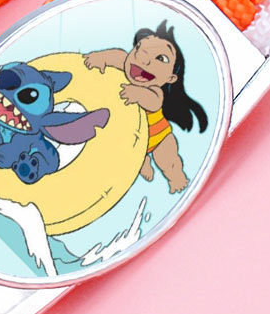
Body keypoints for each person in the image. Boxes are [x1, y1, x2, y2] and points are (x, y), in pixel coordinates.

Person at [84, 21, 208, 193]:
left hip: (158, 136)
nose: (143, 59)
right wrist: (100, 58)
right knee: (125, 156)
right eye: (140, 49)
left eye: (161, 59)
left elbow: (153, 102)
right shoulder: (126, 63)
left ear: (170, 78)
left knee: (168, 160)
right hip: (131, 138)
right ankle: (142, 162)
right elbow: (116, 55)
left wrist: (138, 94)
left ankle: (177, 177)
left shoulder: (155, 91)